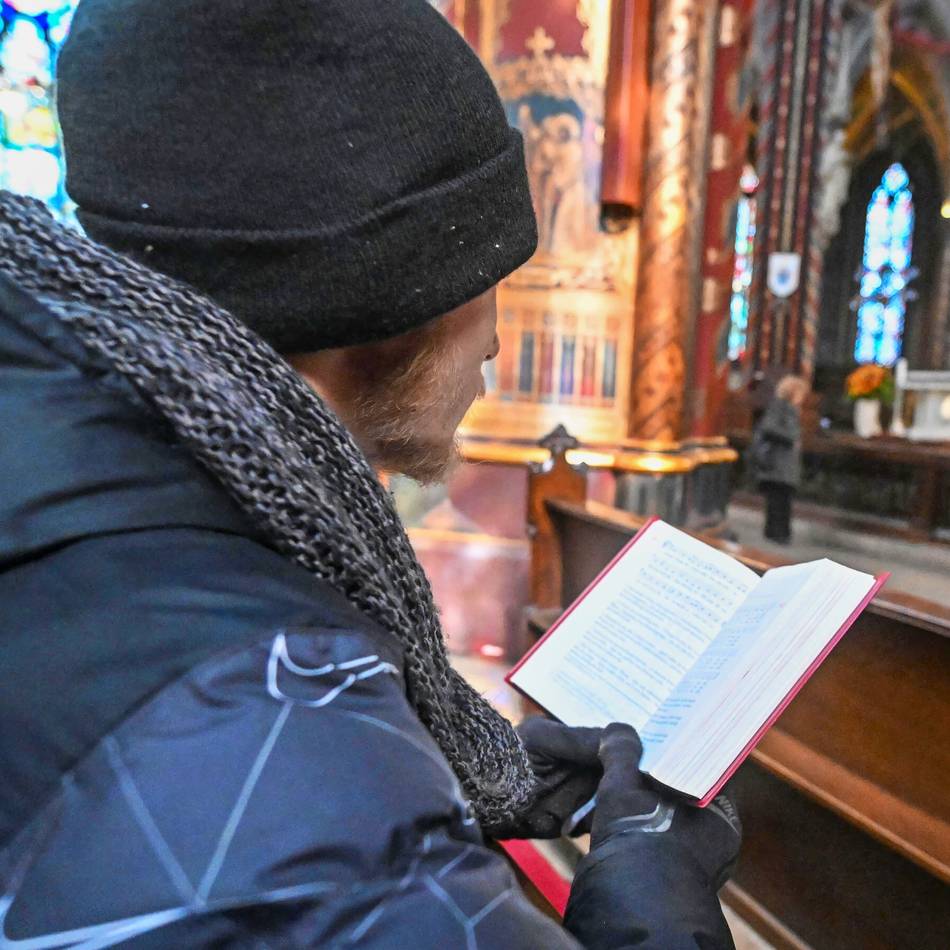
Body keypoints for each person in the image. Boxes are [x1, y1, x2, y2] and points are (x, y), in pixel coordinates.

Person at [0, 1, 740, 946]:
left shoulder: (78, 453)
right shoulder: (279, 731)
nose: (498, 342)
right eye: (489, 282)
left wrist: (449, 768)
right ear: (399, 300)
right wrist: (652, 901)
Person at [751, 374, 809, 544]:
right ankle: (777, 534)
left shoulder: (791, 409)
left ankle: (781, 533)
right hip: (777, 463)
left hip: (784, 465)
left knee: (783, 500)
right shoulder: (780, 406)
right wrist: (791, 437)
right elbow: (769, 427)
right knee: (777, 501)